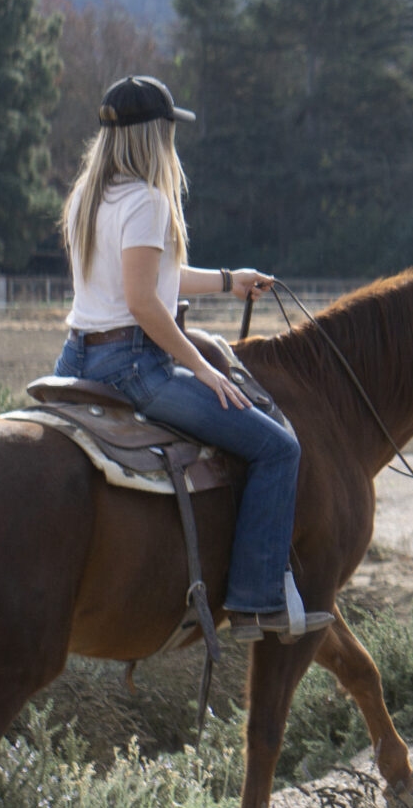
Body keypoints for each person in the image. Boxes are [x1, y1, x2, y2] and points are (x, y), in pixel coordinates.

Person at [53, 75, 327, 635]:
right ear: (155, 136)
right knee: (278, 448)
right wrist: (202, 369)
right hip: (132, 368)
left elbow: (152, 274)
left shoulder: (88, 195)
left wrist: (230, 281)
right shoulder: (149, 199)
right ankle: (254, 599)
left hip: (73, 362)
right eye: (170, 130)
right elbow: (144, 303)